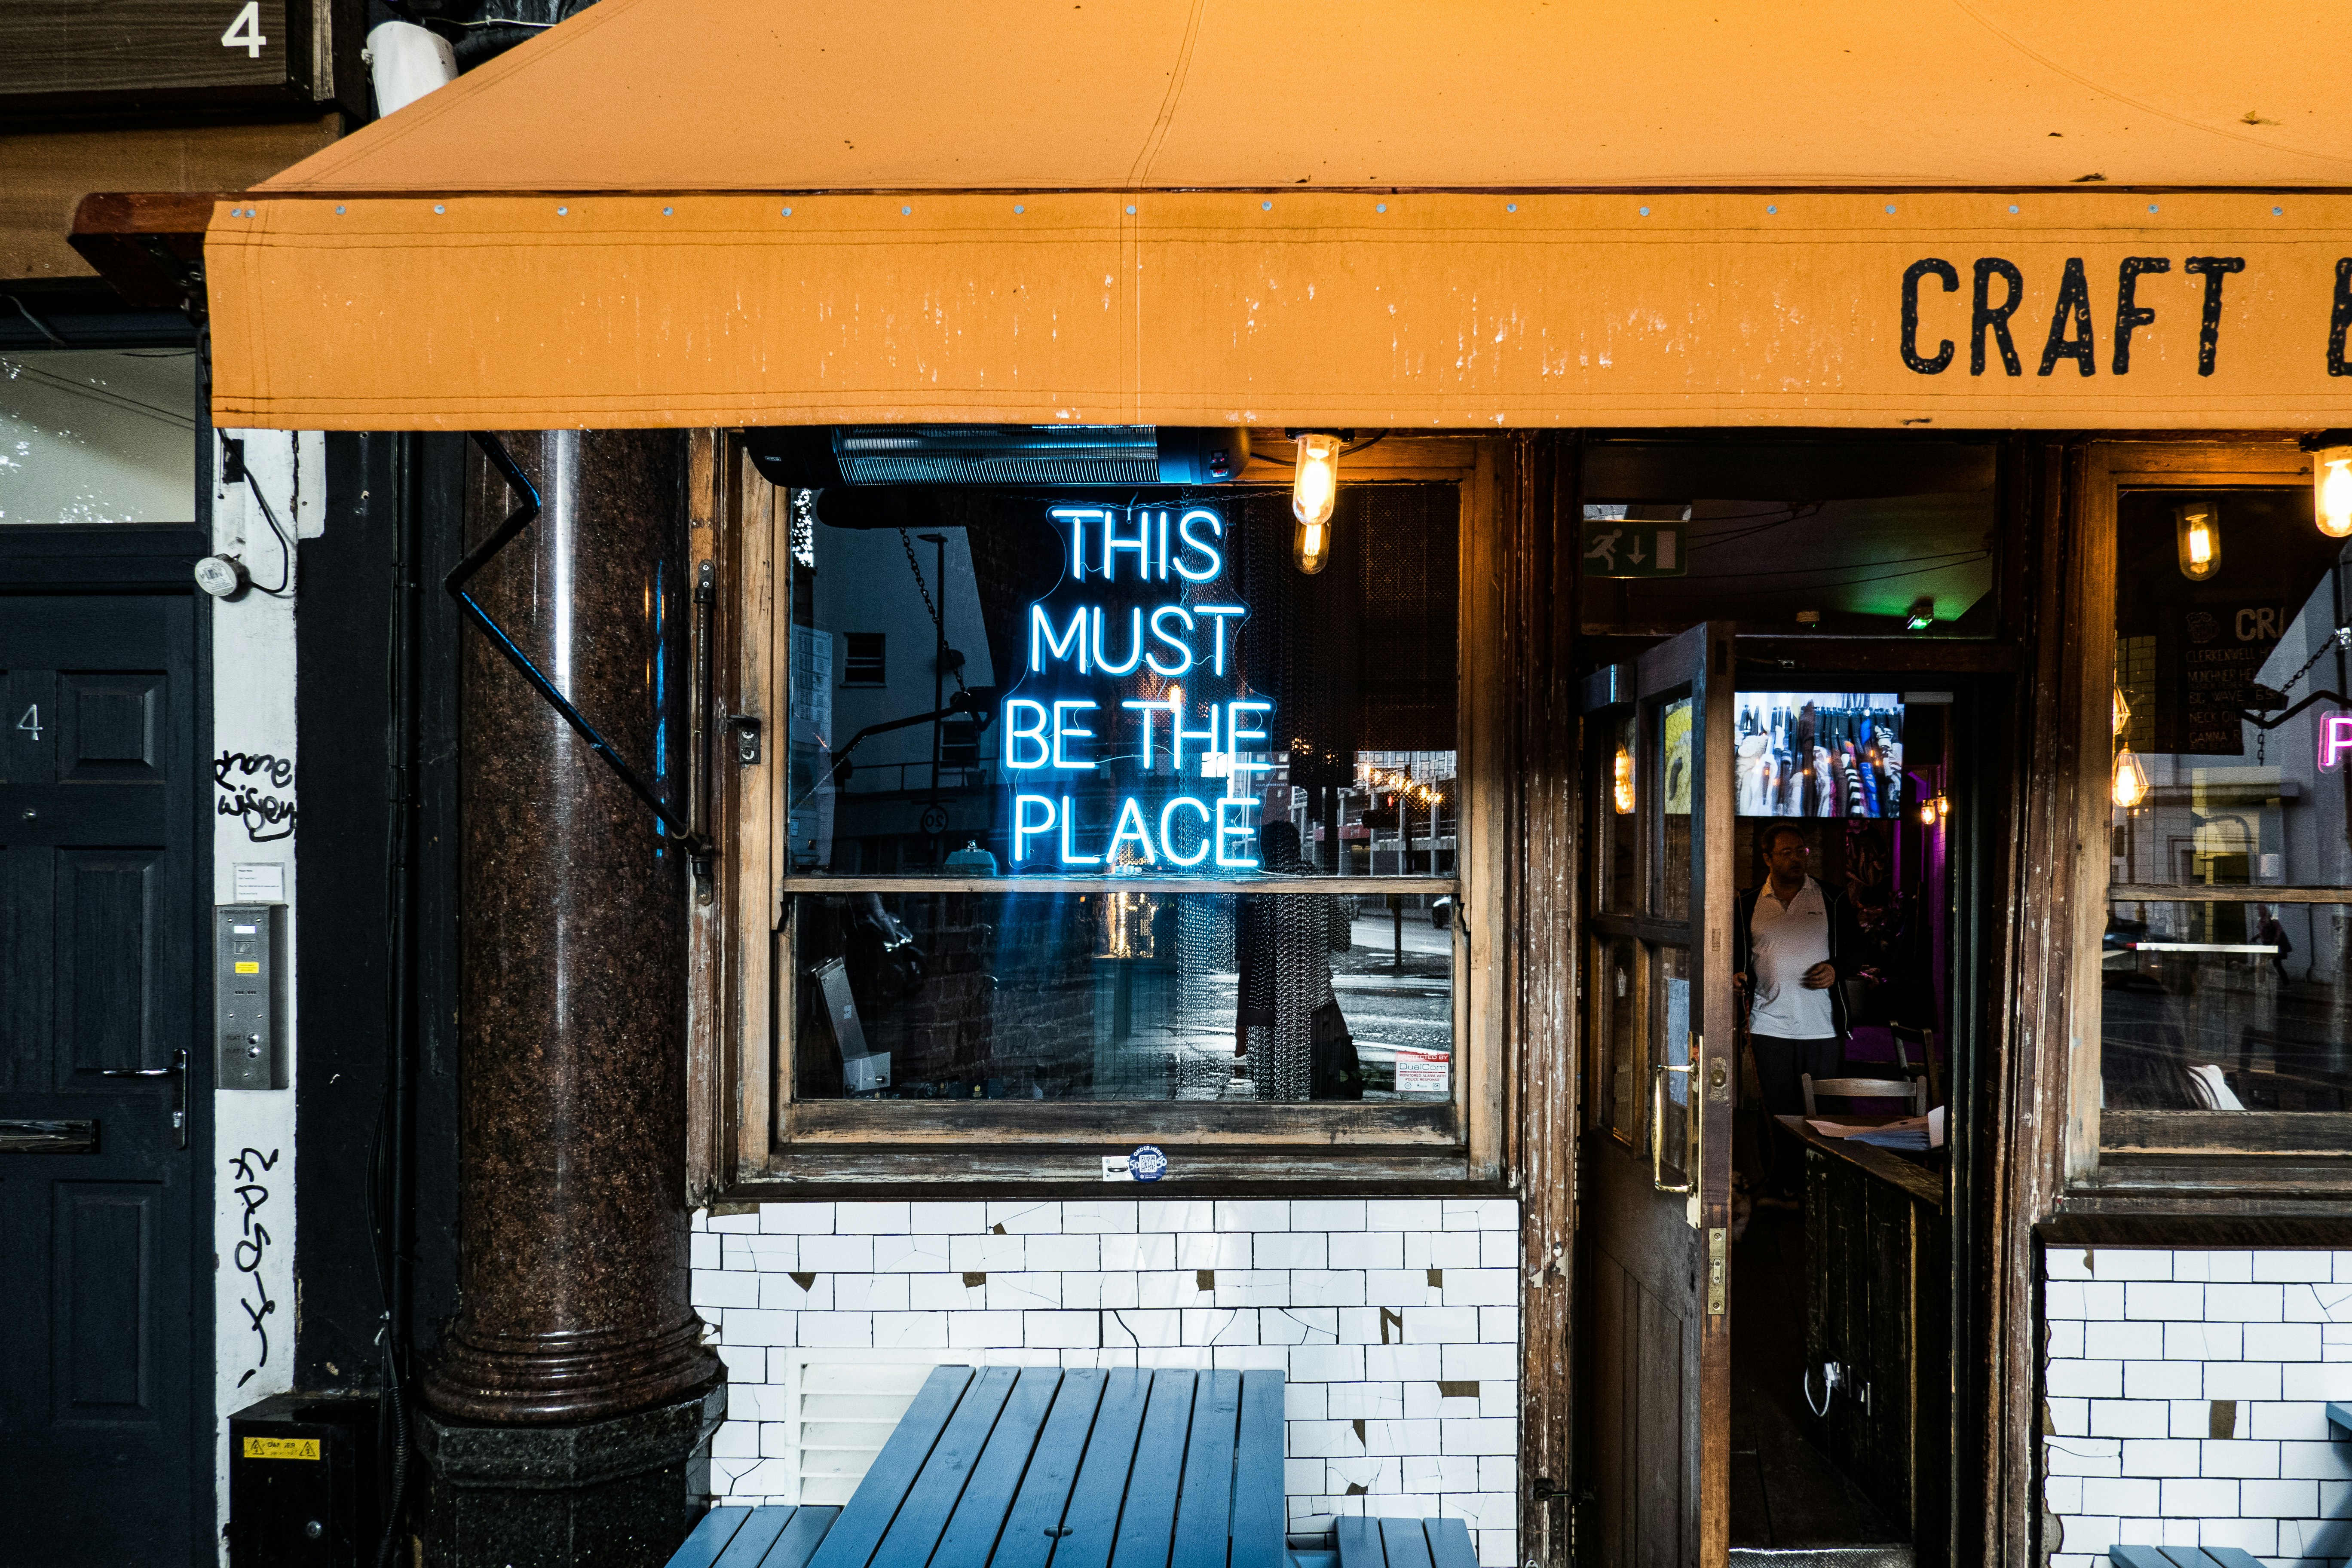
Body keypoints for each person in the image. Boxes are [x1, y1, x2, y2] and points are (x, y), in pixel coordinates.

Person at [1732, 824, 1869, 1117]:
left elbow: (1858, 950)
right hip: (1767, 1027)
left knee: (1822, 1116)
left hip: (1822, 1028)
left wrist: (1836, 969)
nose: (1796, 859)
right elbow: (1734, 956)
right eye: (1786, 853)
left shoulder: (1832, 898)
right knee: (1777, 1115)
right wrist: (1734, 975)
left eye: (1801, 851)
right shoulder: (1747, 903)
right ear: (1768, 859)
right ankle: (1779, 1166)